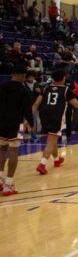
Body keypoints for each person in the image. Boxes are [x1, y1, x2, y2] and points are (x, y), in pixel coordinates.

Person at [33, 68, 78, 175]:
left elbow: (36, 103)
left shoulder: (45, 88)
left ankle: (56, 160)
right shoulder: (66, 89)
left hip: (44, 115)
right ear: (64, 78)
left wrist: (29, 117)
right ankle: (42, 164)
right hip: (56, 115)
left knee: (52, 137)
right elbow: (77, 104)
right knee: (51, 141)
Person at [0, 64, 34, 195]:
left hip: (1, 123)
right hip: (15, 123)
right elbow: (27, 110)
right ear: (22, 75)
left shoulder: (2, 87)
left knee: (1, 150)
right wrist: (31, 123)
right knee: (13, 152)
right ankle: (9, 184)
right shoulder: (24, 90)